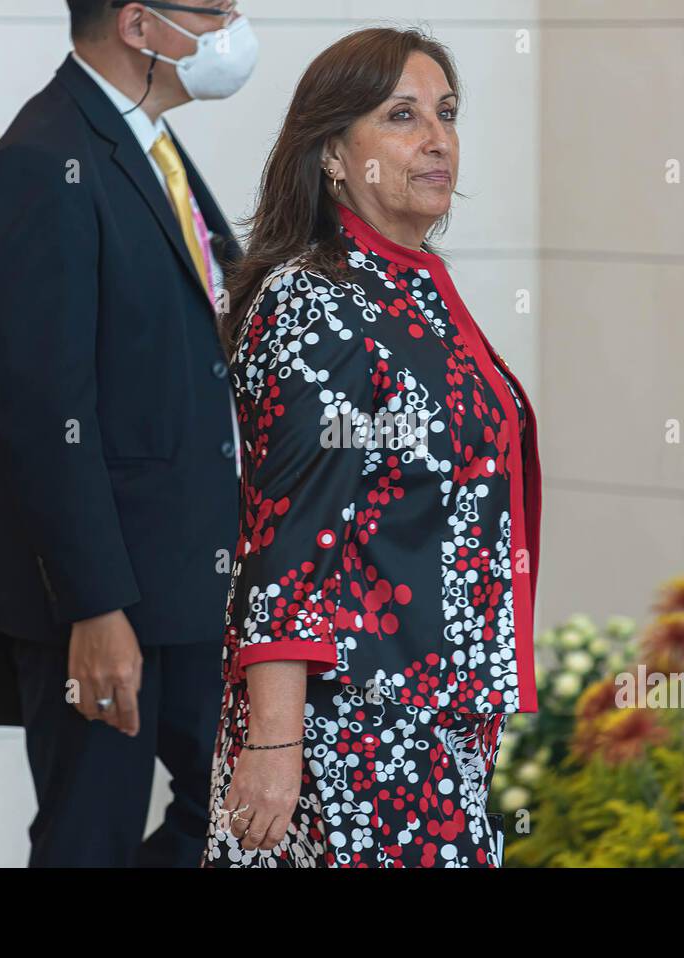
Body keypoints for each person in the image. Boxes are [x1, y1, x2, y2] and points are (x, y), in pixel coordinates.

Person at [204, 26, 543, 868]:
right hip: (349, 738)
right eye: (402, 115)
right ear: (332, 155)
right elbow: (287, 538)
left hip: (433, 729)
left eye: (447, 114)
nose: (436, 139)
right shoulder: (314, 302)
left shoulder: (413, 287)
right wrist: (276, 748)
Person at [0, 0, 256, 866]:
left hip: (188, 582)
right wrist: (95, 608)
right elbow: (43, 408)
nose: (234, 29)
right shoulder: (45, 160)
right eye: (215, 11)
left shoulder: (144, 139)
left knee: (244, 814)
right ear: (138, 25)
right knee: (90, 837)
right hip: (103, 598)